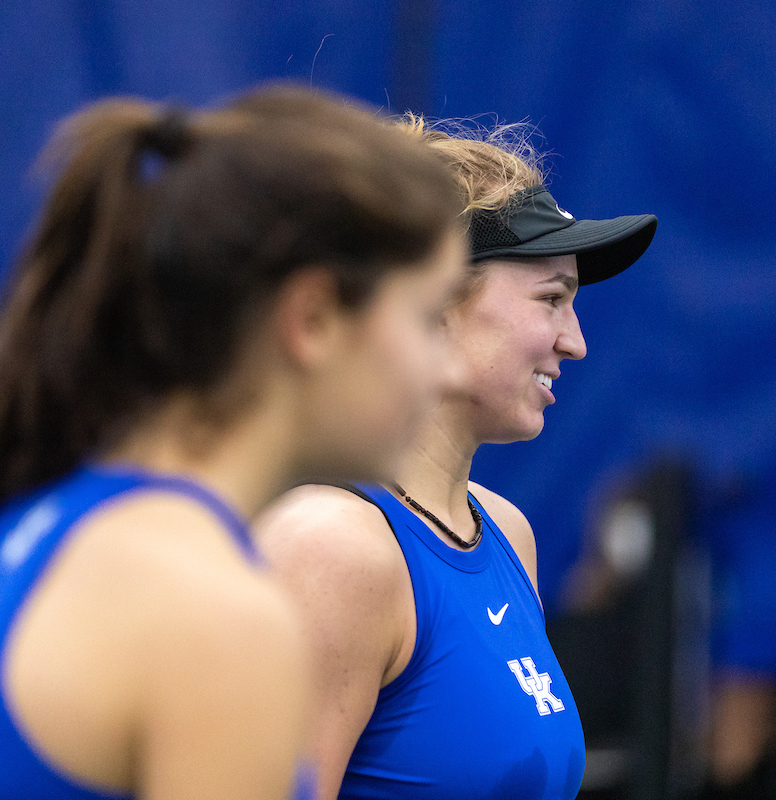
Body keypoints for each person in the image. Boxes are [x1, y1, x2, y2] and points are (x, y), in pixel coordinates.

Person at [0, 86, 468, 800]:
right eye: (427, 317)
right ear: (314, 319)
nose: (444, 368)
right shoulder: (215, 616)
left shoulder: (26, 529)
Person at [255, 118, 657, 800]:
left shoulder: (507, 533)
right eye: (552, 300)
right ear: (437, 303)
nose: (575, 342)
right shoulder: (332, 550)